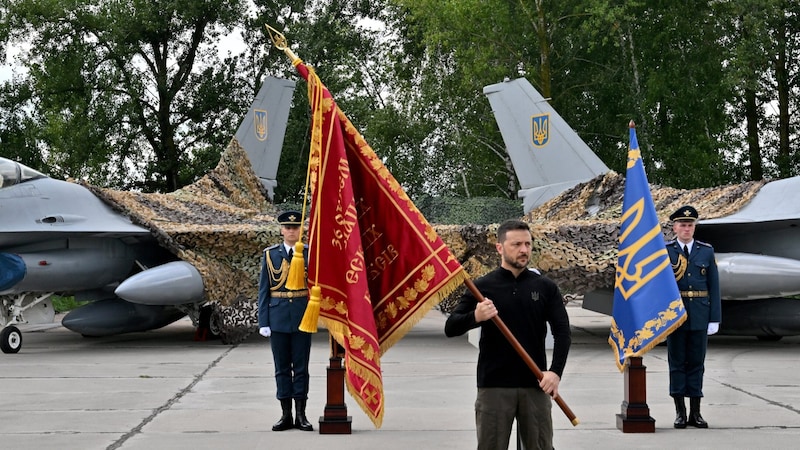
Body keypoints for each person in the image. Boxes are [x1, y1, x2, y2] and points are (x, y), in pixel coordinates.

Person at [445, 219, 571, 450]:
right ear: (500, 248)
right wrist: (476, 316)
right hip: (494, 386)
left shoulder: (545, 287)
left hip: (535, 385)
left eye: (527, 244)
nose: (524, 250)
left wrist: (555, 372)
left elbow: (562, 332)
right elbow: (451, 327)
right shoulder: (482, 287)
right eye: (516, 244)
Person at [257, 210, 314, 432]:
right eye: (288, 228)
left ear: (301, 230)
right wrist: (263, 321)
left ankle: (301, 414)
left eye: (295, 227)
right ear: (281, 230)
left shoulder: (309, 253)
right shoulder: (270, 254)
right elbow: (263, 290)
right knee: (281, 368)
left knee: (301, 368)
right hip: (278, 317)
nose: (291, 231)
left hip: (302, 316)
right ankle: (286, 414)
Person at [666, 205, 721, 429]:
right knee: (677, 363)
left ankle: (696, 413)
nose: (686, 229)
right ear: (675, 227)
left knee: (697, 363)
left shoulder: (706, 251)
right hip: (675, 315)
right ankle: (680, 412)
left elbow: (714, 286)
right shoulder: (666, 251)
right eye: (682, 225)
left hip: (699, 313)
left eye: (690, 225)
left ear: (694, 227)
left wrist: (714, 318)